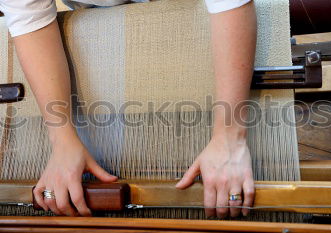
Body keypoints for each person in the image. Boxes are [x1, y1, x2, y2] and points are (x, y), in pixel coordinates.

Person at [0, 0, 257, 218]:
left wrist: (229, 137)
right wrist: (62, 141)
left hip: (200, 22)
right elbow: (30, 18)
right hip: (96, 30)